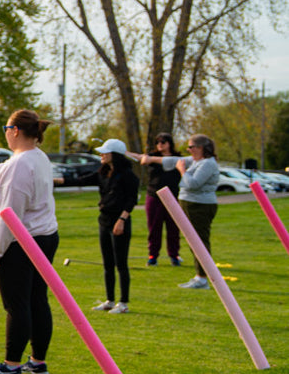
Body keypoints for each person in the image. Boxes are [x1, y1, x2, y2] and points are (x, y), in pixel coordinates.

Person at [0, 109, 58, 374]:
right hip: (44, 237)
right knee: (36, 299)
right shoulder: (35, 157)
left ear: (15, 130)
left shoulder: (20, 165)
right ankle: (37, 362)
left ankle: (11, 366)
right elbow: (3, 169)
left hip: (21, 242)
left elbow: (10, 214)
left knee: (18, 304)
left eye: (5, 128)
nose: (5, 133)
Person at [132, 134, 219, 289]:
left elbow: (193, 184)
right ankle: (200, 276)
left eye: (191, 146)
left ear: (200, 148)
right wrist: (149, 159)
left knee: (199, 241)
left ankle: (203, 278)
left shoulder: (207, 164)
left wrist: (182, 170)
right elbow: (171, 161)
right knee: (194, 242)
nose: (188, 149)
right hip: (190, 204)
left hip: (200, 206)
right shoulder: (198, 161)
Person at [90, 139, 139, 314]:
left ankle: (123, 302)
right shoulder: (102, 172)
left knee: (121, 264)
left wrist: (122, 220)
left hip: (120, 221)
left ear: (115, 155)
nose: (101, 155)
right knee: (107, 264)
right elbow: (81, 179)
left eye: (105, 152)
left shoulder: (128, 175)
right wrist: (53, 180)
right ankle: (110, 300)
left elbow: (132, 199)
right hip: (104, 220)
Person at [142, 133, 183, 266]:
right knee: (154, 227)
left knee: (173, 227)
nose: (160, 144)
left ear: (169, 143)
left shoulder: (178, 159)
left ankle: (174, 255)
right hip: (154, 196)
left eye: (163, 142)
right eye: (158, 142)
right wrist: (145, 158)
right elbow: (142, 160)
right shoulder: (152, 158)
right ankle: (153, 255)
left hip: (173, 197)